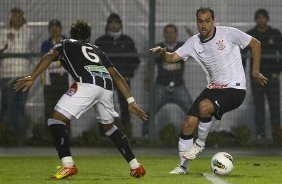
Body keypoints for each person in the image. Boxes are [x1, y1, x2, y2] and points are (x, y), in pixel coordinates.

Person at [14, 21, 147, 179]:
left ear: (71, 35)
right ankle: (135, 166)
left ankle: (68, 166)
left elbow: (49, 56)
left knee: (56, 120)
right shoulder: (97, 50)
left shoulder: (65, 43)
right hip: (106, 87)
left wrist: (32, 76)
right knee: (109, 127)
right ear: (88, 37)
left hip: (87, 84)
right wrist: (130, 101)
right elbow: (117, 75)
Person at [150, 7, 267, 174]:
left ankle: (200, 144)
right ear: (196, 22)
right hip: (213, 88)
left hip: (235, 89)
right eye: (200, 21)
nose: (203, 25)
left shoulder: (228, 33)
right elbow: (172, 58)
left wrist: (255, 72)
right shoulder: (193, 42)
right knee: (188, 123)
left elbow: (256, 44)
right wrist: (163, 53)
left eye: (207, 21)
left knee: (204, 107)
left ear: (213, 21)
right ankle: (183, 167)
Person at [95, 13, 140, 136]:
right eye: (111, 22)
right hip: (105, 81)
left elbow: (135, 60)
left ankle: (126, 134)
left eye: (116, 22)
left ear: (120, 24)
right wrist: (101, 76)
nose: (114, 25)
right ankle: (103, 136)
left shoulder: (127, 41)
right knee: (104, 107)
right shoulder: (101, 41)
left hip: (123, 80)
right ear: (108, 25)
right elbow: (94, 61)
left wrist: (128, 75)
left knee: (126, 107)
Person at [143, 24, 193, 136]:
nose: (170, 35)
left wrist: (192, 35)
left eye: (172, 32)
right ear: (164, 34)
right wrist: (146, 80)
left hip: (179, 86)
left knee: (192, 111)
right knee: (150, 112)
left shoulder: (182, 46)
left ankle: (198, 137)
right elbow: (148, 65)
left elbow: (197, 48)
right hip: (161, 85)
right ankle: (145, 136)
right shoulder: (159, 47)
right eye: (167, 33)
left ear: (176, 34)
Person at [245, 9, 282, 140]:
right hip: (256, 77)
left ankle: (277, 135)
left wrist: (277, 72)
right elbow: (243, 56)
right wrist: (243, 74)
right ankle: (261, 135)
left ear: (267, 19)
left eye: (263, 17)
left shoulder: (275, 34)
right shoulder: (250, 35)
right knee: (259, 106)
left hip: (272, 77)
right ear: (256, 20)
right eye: (259, 18)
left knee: (275, 107)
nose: (261, 20)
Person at [0, 7, 33, 137]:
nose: (17, 19)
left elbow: (27, 49)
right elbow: (2, 50)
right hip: (7, 74)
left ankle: (18, 136)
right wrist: (7, 40)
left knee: (20, 107)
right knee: (7, 106)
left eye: (20, 16)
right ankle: (5, 135)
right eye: (14, 16)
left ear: (23, 18)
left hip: (23, 75)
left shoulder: (28, 32)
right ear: (10, 17)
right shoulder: (2, 32)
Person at [41, 19, 69, 122]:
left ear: (61, 29)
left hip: (65, 79)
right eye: (52, 27)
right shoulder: (45, 44)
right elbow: (45, 62)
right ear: (49, 30)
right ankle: (48, 135)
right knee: (50, 108)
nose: (54, 29)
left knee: (65, 108)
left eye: (57, 26)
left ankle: (66, 133)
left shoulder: (67, 43)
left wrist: (54, 62)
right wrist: (59, 62)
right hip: (50, 80)